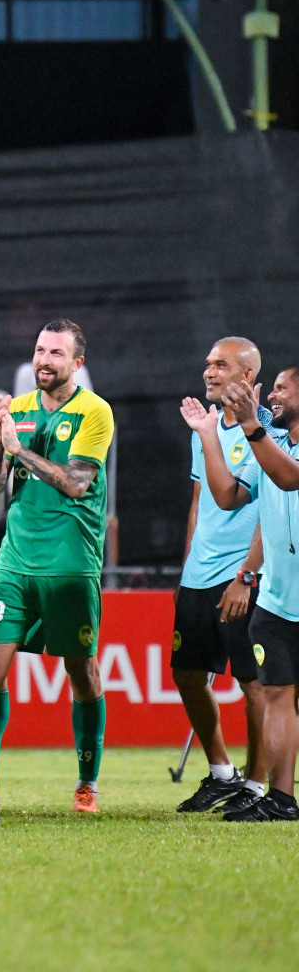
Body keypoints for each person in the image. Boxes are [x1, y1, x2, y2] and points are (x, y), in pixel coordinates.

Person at [0, 320, 115, 816]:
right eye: (40, 350)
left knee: (81, 671)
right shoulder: (16, 410)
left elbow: (77, 483)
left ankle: (87, 784)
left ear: (76, 364)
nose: (44, 360)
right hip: (15, 560)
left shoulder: (94, 413)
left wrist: (23, 451)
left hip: (70, 563)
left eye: (56, 353)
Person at [189, 366, 299, 821]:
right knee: (278, 695)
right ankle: (280, 798)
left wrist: (253, 425)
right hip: (276, 597)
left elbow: (291, 478)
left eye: (283, 387)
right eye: (270, 387)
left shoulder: (268, 443)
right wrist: (209, 434)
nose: (273, 394)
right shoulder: (269, 445)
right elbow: (229, 495)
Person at [169, 338, 269, 813]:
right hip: (200, 574)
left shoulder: (263, 432)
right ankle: (222, 773)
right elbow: (199, 502)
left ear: (247, 377)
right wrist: (188, 569)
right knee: (187, 673)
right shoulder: (204, 428)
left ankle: (256, 785)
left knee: (253, 684)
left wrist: (246, 577)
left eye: (221, 364)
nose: (208, 371)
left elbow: (250, 505)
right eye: (207, 362)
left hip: (241, 576)